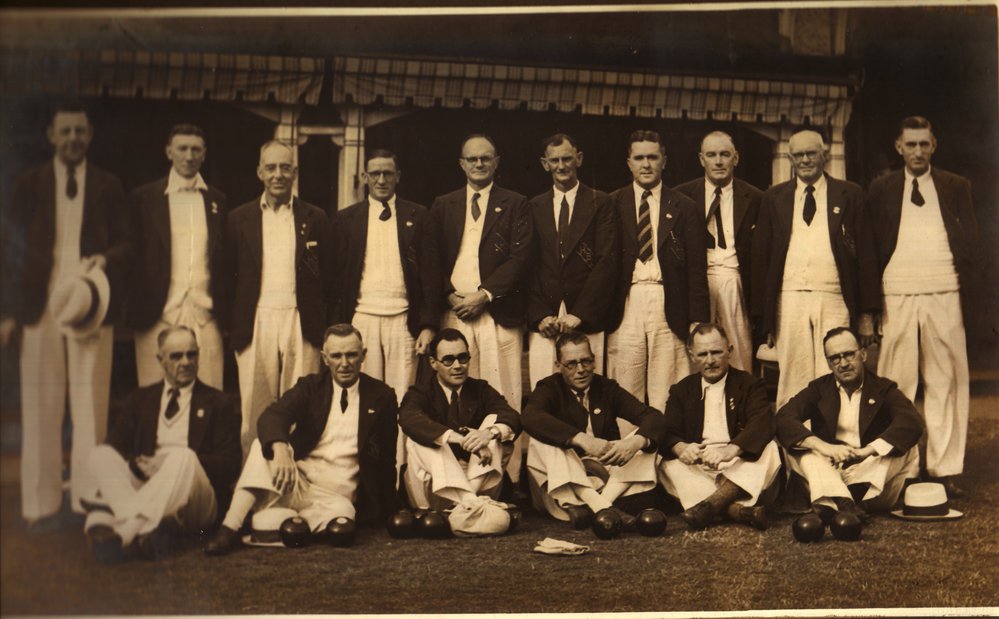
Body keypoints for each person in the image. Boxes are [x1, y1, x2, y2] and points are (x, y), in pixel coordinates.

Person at [0, 102, 131, 525]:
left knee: (91, 404)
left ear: (89, 135)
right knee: (40, 402)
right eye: (65, 131)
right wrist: (8, 313)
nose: (73, 138)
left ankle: (88, 500)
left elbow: (128, 244)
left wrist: (104, 261)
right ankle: (41, 504)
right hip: (40, 306)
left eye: (80, 131)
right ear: (51, 136)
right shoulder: (29, 184)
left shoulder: (108, 185)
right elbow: (10, 251)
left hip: (89, 302)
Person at [204, 324, 398, 554]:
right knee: (260, 446)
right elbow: (272, 416)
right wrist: (280, 448)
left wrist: (390, 510)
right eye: (336, 356)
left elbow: (387, 458)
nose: (344, 363)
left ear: (363, 355)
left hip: (335, 498)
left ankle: (284, 525)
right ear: (324, 358)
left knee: (344, 518)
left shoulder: (382, 396)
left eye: (352, 355)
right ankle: (230, 527)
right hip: (295, 483)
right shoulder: (311, 387)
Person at [867, 116, 981, 499]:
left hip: (944, 288)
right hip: (896, 291)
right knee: (895, 382)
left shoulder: (956, 186)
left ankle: (943, 469)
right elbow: (871, 248)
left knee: (946, 380)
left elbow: (971, 246)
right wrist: (871, 306)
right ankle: (899, 468)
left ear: (934, 146)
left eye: (924, 144)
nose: (917, 151)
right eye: (911, 144)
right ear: (899, 147)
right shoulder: (882, 188)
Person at [422, 134, 532, 483]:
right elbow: (431, 258)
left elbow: (521, 258)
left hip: (496, 311)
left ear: (496, 162)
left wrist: (484, 295)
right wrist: (449, 295)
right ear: (462, 164)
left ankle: (508, 477)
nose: (479, 164)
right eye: (472, 159)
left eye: (486, 158)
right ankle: (459, 473)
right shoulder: (444, 204)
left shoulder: (516, 203)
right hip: (455, 310)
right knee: (456, 388)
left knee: (504, 390)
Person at [79, 326, 240, 562]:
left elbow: (231, 465)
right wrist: (139, 465)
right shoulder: (141, 399)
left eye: (192, 354)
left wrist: (168, 463)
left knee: (183, 456)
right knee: (100, 455)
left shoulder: (218, 402)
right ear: (160, 359)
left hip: (196, 499)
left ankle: (121, 529)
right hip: (149, 486)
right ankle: (144, 527)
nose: (186, 362)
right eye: (176, 356)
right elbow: (115, 446)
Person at [752, 129, 879, 409]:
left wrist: (867, 313)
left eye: (811, 153)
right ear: (790, 158)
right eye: (798, 155)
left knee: (835, 368)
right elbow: (762, 259)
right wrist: (766, 319)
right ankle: (793, 432)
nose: (805, 160)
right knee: (793, 374)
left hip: (834, 297)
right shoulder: (774, 198)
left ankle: (835, 430)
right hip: (789, 298)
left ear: (824, 155)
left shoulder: (850, 194)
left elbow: (867, 256)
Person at [224, 141, 335, 454]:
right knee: (255, 406)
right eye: (271, 167)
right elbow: (227, 277)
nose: (278, 174)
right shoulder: (239, 218)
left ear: (295, 173)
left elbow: (329, 277)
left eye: (285, 168)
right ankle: (255, 475)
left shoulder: (315, 217)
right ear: (259, 172)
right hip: (256, 320)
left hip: (301, 321)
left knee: (302, 403)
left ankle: (298, 472)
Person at [606, 129, 709, 414]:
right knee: (625, 385)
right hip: (627, 304)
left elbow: (696, 269)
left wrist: (697, 319)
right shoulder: (611, 203)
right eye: (639, 158)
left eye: (652, 157)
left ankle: (668, 441)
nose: (646, 164)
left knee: (668, 386)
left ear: (664, 160)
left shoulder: (685, 207)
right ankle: (629, 444)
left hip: (668, 301)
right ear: (629, 163)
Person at [776, 327, 922, 527]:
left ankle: (835, 500)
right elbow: (784, 417)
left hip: (869, 480)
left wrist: (867, 451)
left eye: (849, 355)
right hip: (830, 470)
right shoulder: (819, 389)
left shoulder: (883, 388)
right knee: (800, 447)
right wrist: (824, 447)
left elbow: (911, 422)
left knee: (906, 446)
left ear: (863, 354)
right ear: (828, 363)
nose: (843, 363)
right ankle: (845, 504)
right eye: (835, 358)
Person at [522, 331, 665, 528]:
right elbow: (529, 417)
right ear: (558, 365)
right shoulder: (549, 388)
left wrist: (633, 443)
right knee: (541, 439)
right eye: (571, 364)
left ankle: (596, 508)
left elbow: (654, 417)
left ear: (594, 361)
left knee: (646, 440)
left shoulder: (606, 388)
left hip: (605, 479)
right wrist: (581, 439)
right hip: (565, 484)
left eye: (586, 361)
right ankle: (602, 507)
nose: (580, 370)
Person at [129, 124, 228, 389]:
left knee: (210, 395)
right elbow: (132, 258)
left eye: (196, 149)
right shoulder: (144, 198)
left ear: (204, 154)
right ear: (169, 152)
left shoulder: (217, 201)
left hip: (205, 315)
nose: (189, 156)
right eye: (182, 148)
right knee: (155, 397)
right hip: (157, 315)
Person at [658, 323, 780, 531]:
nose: (710, 361)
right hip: (700, 467)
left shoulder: (750, 384)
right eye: (702, 354)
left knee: (771, 450)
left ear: (729, 351)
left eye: (716, 352)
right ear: (692, 356)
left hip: (739, 464)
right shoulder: (681, 390)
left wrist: (730, 450)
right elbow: (667, 430)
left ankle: (711, 506)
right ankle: (736, 510)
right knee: (666, 463)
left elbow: (763, 422)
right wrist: (681, 448)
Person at [526, 133, 618, 388]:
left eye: (567, 159)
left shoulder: (601, 202)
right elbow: (527, 265)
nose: (561, 166)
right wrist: (540, 316)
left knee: (588, 386)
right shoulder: (534, 206)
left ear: (579, 159)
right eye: (554, 160)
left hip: (585, 315)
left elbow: (606, 262)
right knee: (543, 387)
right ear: (545, 164)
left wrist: (581, 314)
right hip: (547, 318)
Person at [398, 328, 521, 511]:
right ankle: (470, 502)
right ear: (433, 363)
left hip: (478, 482)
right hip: (435, 489)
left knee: (496, 423)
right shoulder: (420, 392)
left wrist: (487, 434)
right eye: (448, 360)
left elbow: (512, 416)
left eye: (463, 358)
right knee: (421, 437)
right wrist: (461, 440)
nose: (457, 366)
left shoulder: (480, 389)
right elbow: (409, 418)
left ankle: (465, 502)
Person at [673, 131, 763, 372]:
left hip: (735, 279)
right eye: (711, 155)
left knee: (739, 352)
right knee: (697, 353)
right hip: (698, 281)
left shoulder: (755, 198)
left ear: (736, 158)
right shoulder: (681, 196)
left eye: (725, 154)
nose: (719, 161)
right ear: (701, 159)